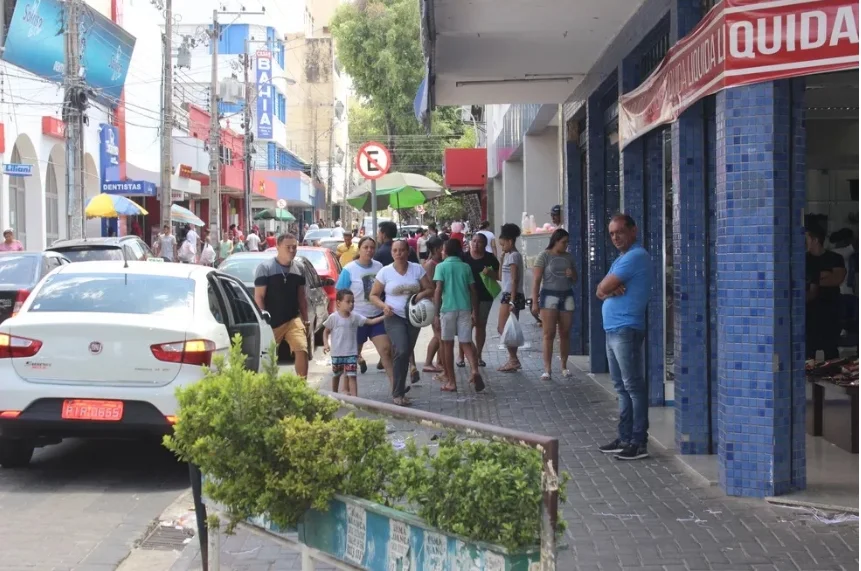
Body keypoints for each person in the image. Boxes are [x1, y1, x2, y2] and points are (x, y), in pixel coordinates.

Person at [596, 214, 652, 461]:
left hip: (626, 329)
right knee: (621, 387)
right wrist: (605, 289)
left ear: (633, 230)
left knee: (632, 386)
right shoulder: (621, 259)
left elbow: (603, 288)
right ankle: (625, 436)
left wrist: (606, 289)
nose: (615, 237)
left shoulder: (635, 257)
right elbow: (600, 290)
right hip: (614, 329)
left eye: (620, 231)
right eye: (611, 233)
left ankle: (638, 442)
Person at [370, 240, 434, 406]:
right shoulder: (385, 272)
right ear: (392, 253)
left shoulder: (416, 269)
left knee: (405, 353)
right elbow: (374, 295)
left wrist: (420, 295)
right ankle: (397, 393)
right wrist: (384, 306)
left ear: (408, 252)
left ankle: (400, 390)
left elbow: (429, 288)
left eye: (402, 250)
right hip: (394, 316)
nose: (398, 253)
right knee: (402, 349)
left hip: (414, 317)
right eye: (395, 250)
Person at [335, 237, 395, 383]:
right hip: (356, 319)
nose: (369, 250)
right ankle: (346, 389)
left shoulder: (379, 267)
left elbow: (385, 289)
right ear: (359, 249)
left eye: (372, 248)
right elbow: (339, 293)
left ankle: (397, 389)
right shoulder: (349, 269)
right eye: (365, 247)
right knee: (352, 357)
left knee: (386, 351)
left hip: (377, 316)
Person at [253, 233, 310, 378]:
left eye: (294, 247)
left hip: (292, 318)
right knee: (268, 354)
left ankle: (300, 386)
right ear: (277, 247)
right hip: (272, 320)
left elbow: (301, 296)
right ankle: (268, 385)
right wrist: (263, 319)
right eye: (288, 247)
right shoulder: (265, 268)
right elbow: (259, 296)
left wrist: (306, 319)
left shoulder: (299, 268)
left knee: (302, 348)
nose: (292, 250)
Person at [434, 239, 485, 393]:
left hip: (448, 310)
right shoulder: (465, 267)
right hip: (465, 309)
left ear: (447, 251)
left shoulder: (440, 267)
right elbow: (473, 291)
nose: (442, 252)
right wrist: (475, 311)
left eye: (443, 250)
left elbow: (438, 290)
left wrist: (436, 314)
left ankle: (452, 382)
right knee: (466, 342)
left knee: (447, 345)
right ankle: (474, 370)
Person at [531, 228, 577, 380]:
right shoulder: (544, 256)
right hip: (549, 295)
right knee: (548, 333)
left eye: (567, 243)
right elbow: (537, 280)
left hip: (567, 295)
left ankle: (564, 366)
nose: (566, 245)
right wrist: (535, 301)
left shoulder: (569, 257)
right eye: (563, 242)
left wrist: (573, 274)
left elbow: (576, 279)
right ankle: (547, 369)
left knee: (565, 332)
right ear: (555, 241)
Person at [323, 289, 385, 397]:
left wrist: (385, 316)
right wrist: (326, 344)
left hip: (351, 353)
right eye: (348, 302)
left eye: (353, 302)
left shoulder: (355, 317)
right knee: (336, 375)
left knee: (352, 376)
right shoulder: (333, 318)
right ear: (338, 303)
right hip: (337, 353)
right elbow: (326, 331)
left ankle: (355, 399)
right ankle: (334, 395)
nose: (351, 304)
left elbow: (370, 321)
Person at [457, 233, 499, 368]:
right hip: (466, 296)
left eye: (479, 242)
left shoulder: (490, 258)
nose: (475, 244)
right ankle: (461, 355)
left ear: (484, 244)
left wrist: (490, 273)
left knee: (480, 325)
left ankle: (479, 355)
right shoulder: (464, 257)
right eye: (473, 241)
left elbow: (498, 276)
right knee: (465, 326)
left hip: (485, 296)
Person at [806, 225, 846, 360]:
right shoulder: (802, 259)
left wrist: (813, 280)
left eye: (806, 238)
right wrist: (822, 275)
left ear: (815, 240)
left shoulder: (835, 258)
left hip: (830, 311)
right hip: (809, 312)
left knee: (830, 350)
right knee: (807, 351)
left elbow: (837, 279)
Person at [497, 223, 526, 372]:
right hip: (508, 294)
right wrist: (502, 260)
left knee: (504, 328)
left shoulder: (514, 255)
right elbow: (502, 277)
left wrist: (512, 300)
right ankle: (513, 359)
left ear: (510, 241)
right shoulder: (509, 256)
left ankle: (513, 360)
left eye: (503, 245)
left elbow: (514, 279)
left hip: (511, 295)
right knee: (506, 328)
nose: (502, 248)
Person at [421, 237, 445, 375]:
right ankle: (431, 363)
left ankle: (435, 362)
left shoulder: (436, 263)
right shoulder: (431, 264)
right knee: (439, 335)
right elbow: (431, 287)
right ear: (437, 249)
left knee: (439, 335)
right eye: (442, 248)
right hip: (434, 303)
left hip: (438, 303)